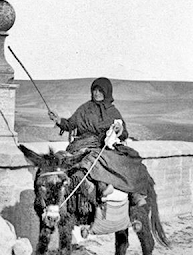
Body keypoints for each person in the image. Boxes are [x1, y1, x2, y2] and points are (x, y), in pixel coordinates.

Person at [49, 77, 149, 206]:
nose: (96, 93)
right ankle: (102, 187)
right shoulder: (84, 109)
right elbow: (69, 124)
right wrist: (58, 120)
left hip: (104, 145)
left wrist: (119, 129)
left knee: (129, 159)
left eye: (100, 91)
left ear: (107, 92)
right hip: (82, 144)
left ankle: (134, 193)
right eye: (94, 90)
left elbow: (124, 134)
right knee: (88, 158)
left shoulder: (113, 111)